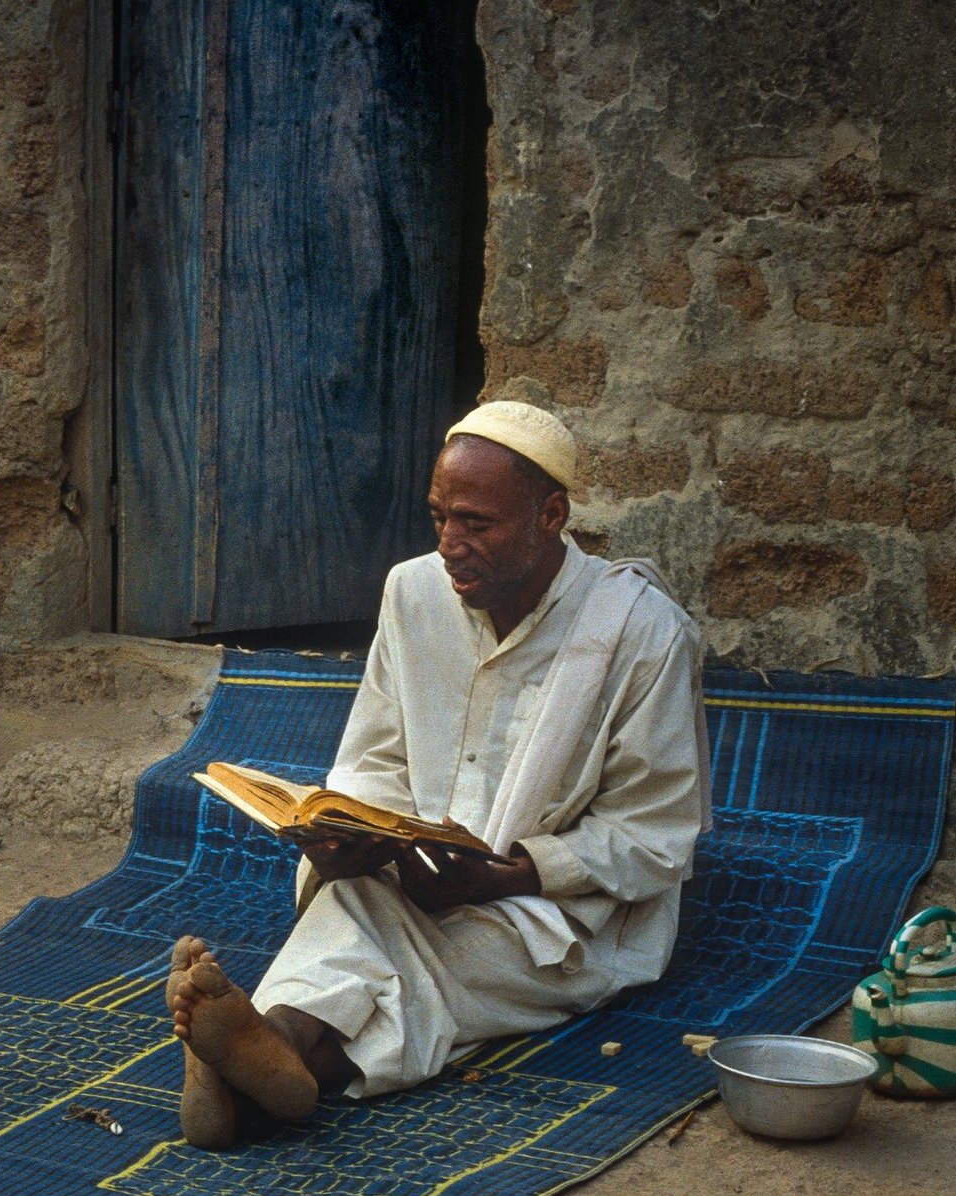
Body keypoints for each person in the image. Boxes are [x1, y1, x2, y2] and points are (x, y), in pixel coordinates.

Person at [168, 401, 707, 1149]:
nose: (451, 545)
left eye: (476, 523)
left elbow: (656, 837)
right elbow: (377, 756)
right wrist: (348, 834)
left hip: (555, 914)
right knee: (363, 896)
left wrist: (502, 878)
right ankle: (272, 1067)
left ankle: (273, 1047)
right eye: (438, 518)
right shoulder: (413, 593)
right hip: (400, 874)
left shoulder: (640, 633)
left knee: (383, 933)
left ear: (550, 515)